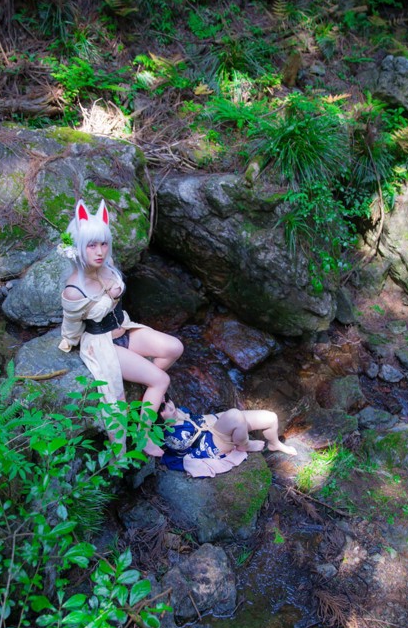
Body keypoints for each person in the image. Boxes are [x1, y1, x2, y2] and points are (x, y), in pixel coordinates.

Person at [58, 200, 183, 456]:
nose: (100, 251)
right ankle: (143, 434)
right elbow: (72, 324)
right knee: (161, 379)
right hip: (102, 343)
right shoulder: (73, 289)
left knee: (174, 347)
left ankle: (145, 391)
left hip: (123, 328)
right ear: (78, 247)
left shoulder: (106, 263)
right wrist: (68, 341)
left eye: (103, 243)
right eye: (91, 245)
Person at [158, 399, 297, 478]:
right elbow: (189, 446)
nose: (171, 406)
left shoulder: (176, 413)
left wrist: (217, 420)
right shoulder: (172, 436)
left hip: (213, 423)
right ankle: (245, 445)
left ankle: (275, 443)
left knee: (271, 417)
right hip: (211, 442)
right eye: (163, 407)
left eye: (168, 400)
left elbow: (198, 420)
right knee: (235, 415)